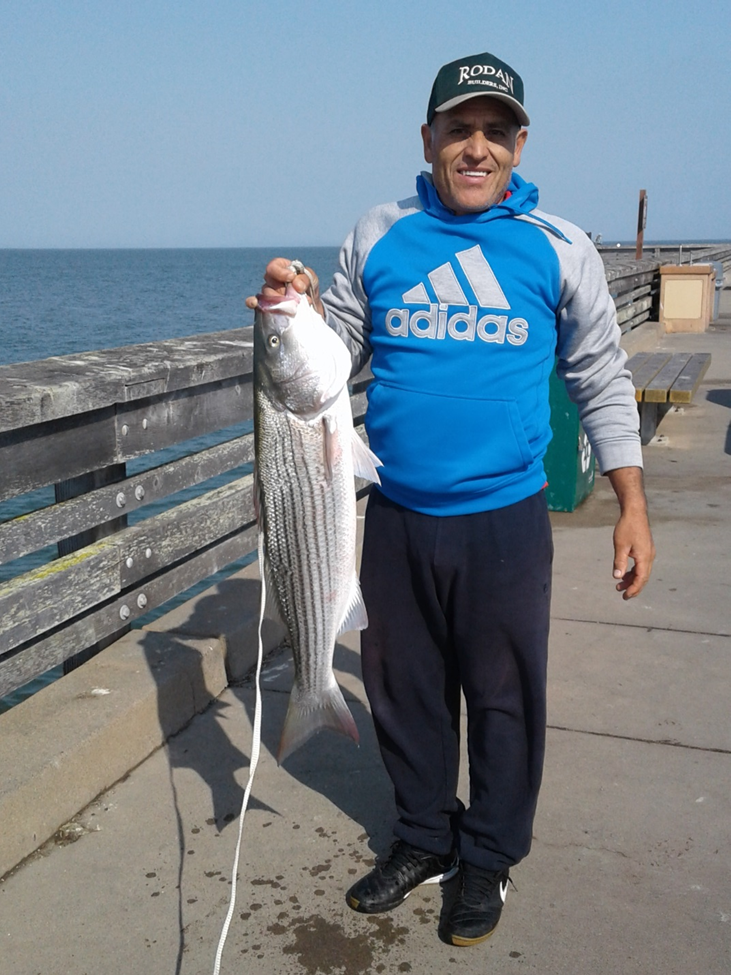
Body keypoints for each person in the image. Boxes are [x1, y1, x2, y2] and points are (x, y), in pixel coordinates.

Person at [247, 50, 655, 947]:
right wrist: (297, 301)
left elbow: (600, 376)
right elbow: (335, 348)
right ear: (427, 137)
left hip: (505, 519)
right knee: (403, 691)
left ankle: (489, 855)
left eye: (494, 131)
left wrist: (628, 502)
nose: (476, 147)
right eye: (458, 129)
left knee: (504, 696)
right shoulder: (379, 231)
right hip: (392, 513)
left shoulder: (559, 246)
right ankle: (424, 837)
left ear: (519, 142)